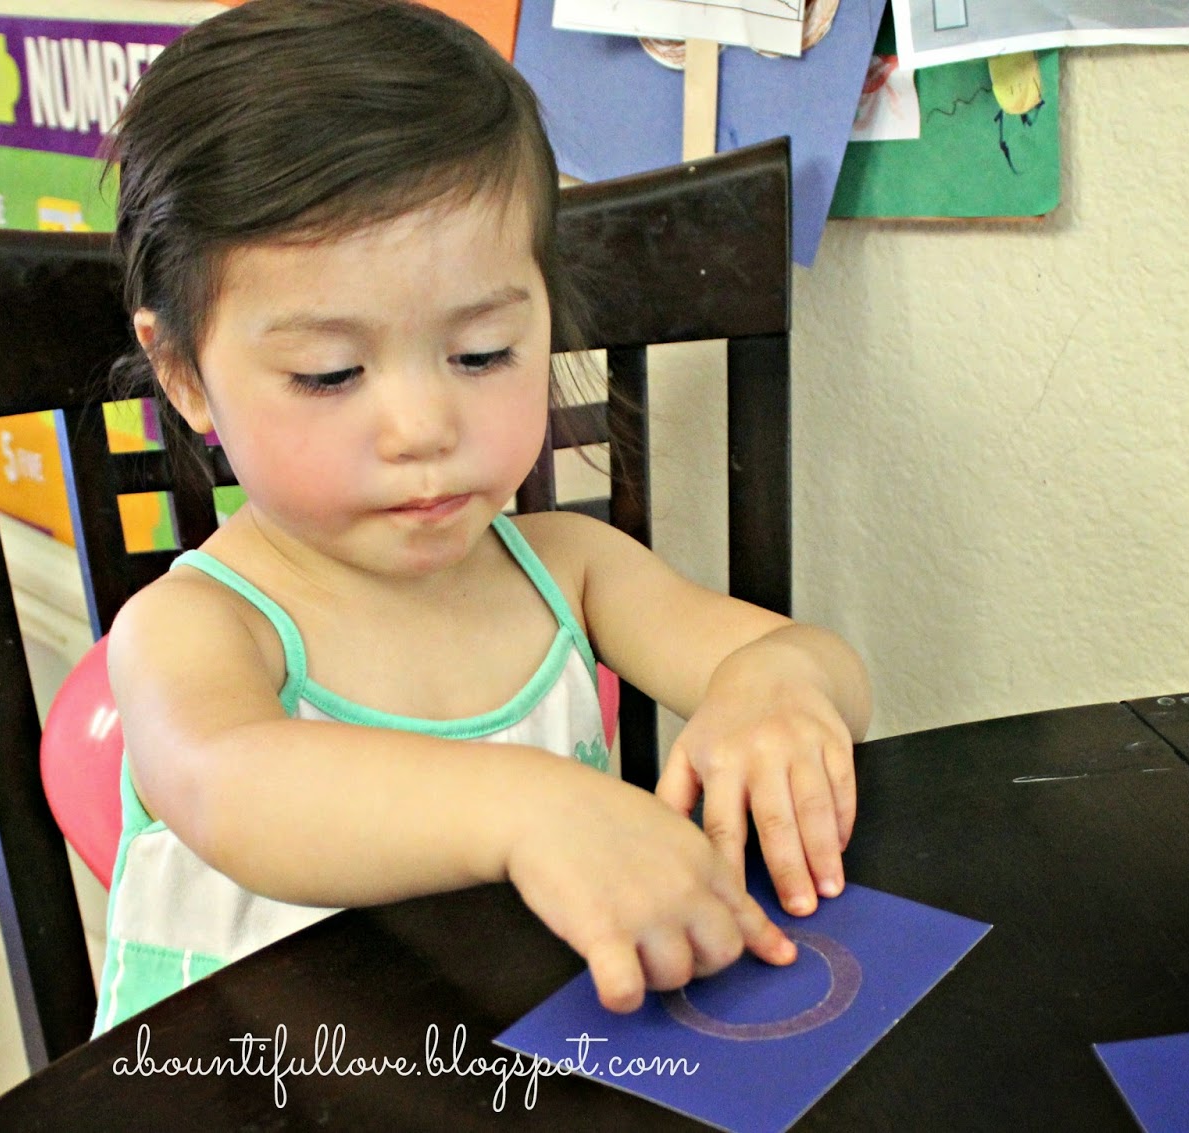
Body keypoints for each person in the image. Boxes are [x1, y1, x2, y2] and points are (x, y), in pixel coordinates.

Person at [91, 0, 872, 1037]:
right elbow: (230, 784)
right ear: (184, 372)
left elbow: (804, 657)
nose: (423, 426)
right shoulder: (199, 626)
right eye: (329, 374)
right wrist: (526, 806)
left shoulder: (572, 569)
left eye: (481, 354)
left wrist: (777, 694)